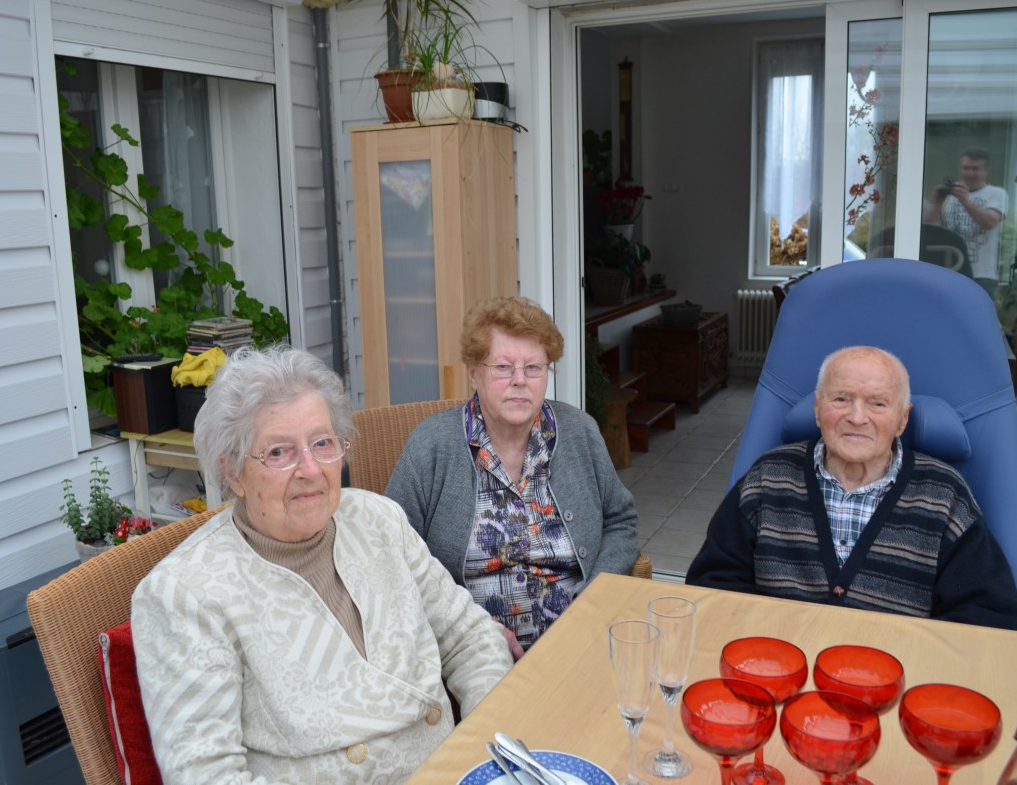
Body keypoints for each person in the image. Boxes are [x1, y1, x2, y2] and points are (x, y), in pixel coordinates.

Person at [132, 345, 512, 783]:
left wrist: (487, 752)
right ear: (233, 473)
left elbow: (470, 637)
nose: (310, 469)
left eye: (322, 443)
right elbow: (205, 774)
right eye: (279, 452)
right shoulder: (185, 593)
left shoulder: (376, 519)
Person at [685, 346, 1017, 631]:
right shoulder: (767, 476)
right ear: (817, 409)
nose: (857, 417)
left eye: (878, 403)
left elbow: (988, 615)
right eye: (841, 399)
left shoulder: (946, 495)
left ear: (902, 419)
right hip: (777, 667)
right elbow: (713, 584)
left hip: (896, 677)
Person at [386, 296, 640, 659]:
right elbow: (392, 551)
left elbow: (621, 521)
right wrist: (470, 627)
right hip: (471, 650)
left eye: (533, 368)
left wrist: (592, 601)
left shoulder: (579, 432)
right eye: (503, 367)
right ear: (473, 373)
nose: (520, 381)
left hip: (581, 639)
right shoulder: (433, 445)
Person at [924, 146, 1008, 294]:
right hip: (949, 270)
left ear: (985, 171)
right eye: (966, 168)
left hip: (980, 274)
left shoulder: (996, 194)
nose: (969, 173)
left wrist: (965, 201)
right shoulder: (949, 196)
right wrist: (937, 203)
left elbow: (989, 222)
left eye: (975, 169)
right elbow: (926, 229)